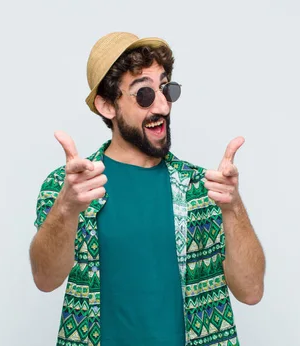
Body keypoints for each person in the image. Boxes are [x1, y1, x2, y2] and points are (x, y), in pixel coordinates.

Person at [29, 31, 266, 346]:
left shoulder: (199, 188)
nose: (162, 106)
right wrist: (66, 208)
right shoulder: (68, 187)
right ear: (107, 106)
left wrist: (233, 207)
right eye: (143, 94)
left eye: (167, 89)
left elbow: (251, 291)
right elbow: (45, 280)